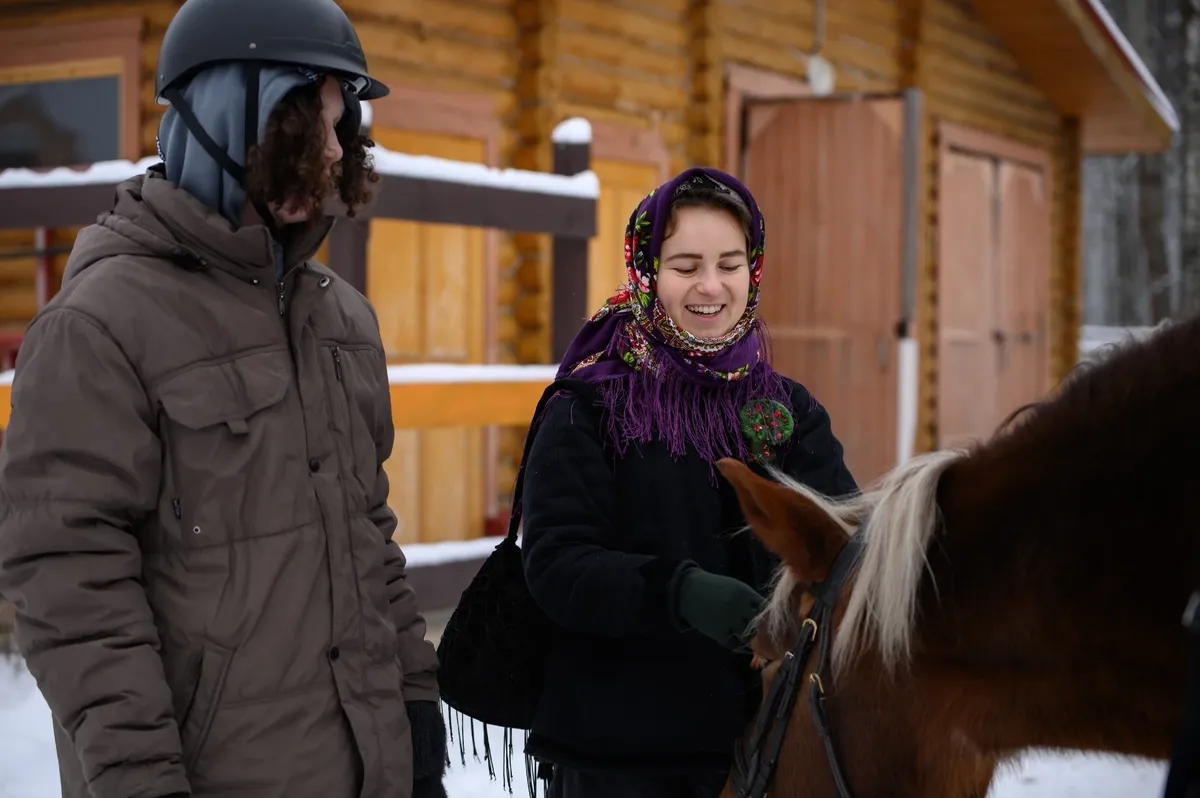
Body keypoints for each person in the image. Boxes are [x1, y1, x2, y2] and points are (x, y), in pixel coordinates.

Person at [0, 1, 446, 797]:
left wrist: (414, 707)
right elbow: (72, 586)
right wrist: (139, 779)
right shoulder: (99, 325)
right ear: (235, 116)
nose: (340, 150)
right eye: (319, 123)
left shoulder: (341, 317)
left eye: (348, 128)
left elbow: (367, 534)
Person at [518, 167, 859, 797]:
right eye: (685, 265)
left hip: (768, 750)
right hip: (622, 760)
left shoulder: (788, 410)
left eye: (730, 264)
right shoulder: (589, 406)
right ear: (647, 273)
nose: (711, 286)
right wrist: (680, 593)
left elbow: (842, 541)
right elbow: (556, 565)